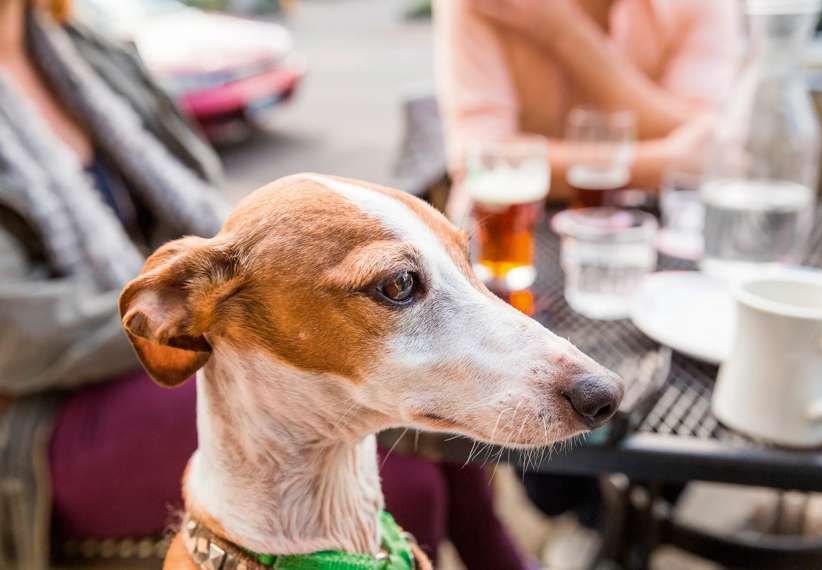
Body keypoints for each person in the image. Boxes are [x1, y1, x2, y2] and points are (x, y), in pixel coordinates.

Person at [0, 1, 527, 568]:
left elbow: (200, 189)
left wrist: (246, 280)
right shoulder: (187, 299)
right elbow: (15, 332)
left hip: (183, 321)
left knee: (409, 371)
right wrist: (193, 303)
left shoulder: (84, 49)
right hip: (46, 403)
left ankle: (493, 551)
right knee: (406, 472)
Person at [434, 0, 741, 536]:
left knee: (688, 388)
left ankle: (623, 513)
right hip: (519, 241)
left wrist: (564, 35)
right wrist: (661, 154)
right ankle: (587, 513)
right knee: (550, 460)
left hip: (653, 228)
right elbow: (480, 158)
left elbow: (710, 150)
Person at [435, 0, 742, 217]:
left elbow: (708, 143)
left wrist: (566, 35)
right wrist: (661, 164)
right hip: (509, 232)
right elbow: (479, 160)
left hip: (651, 220)